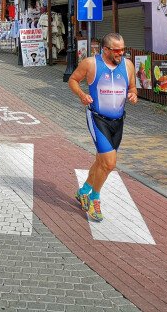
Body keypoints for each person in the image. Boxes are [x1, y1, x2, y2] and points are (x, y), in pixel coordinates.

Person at [68, 32, 138, 222]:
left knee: (101, 162)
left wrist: (133, 95)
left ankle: (83, 191)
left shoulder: (128, 65)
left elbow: (132, 87)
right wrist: (82, 95)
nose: (121, 53)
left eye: (123, 49)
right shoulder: (91, 64)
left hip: (118, 121)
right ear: (105, 49)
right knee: (109, 163)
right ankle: (93, 198)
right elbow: (73, 80)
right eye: (117, 50)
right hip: (98, 118)